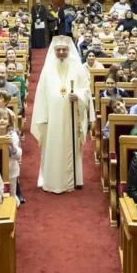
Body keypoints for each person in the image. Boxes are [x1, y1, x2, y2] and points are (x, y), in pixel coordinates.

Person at [31, 36, 92, 194]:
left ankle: (75, 180)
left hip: (72, 115)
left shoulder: (78, 67)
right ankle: (52, 182)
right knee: (53, 146)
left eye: (64, 50)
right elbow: (41, 95)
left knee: (72, 146)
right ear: (54, 51)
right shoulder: (47, 69)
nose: (62, 52)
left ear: (69, 50)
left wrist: (78, 96)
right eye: (59, 50)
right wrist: (43, 117)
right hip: (52, 117)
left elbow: (86, 88)